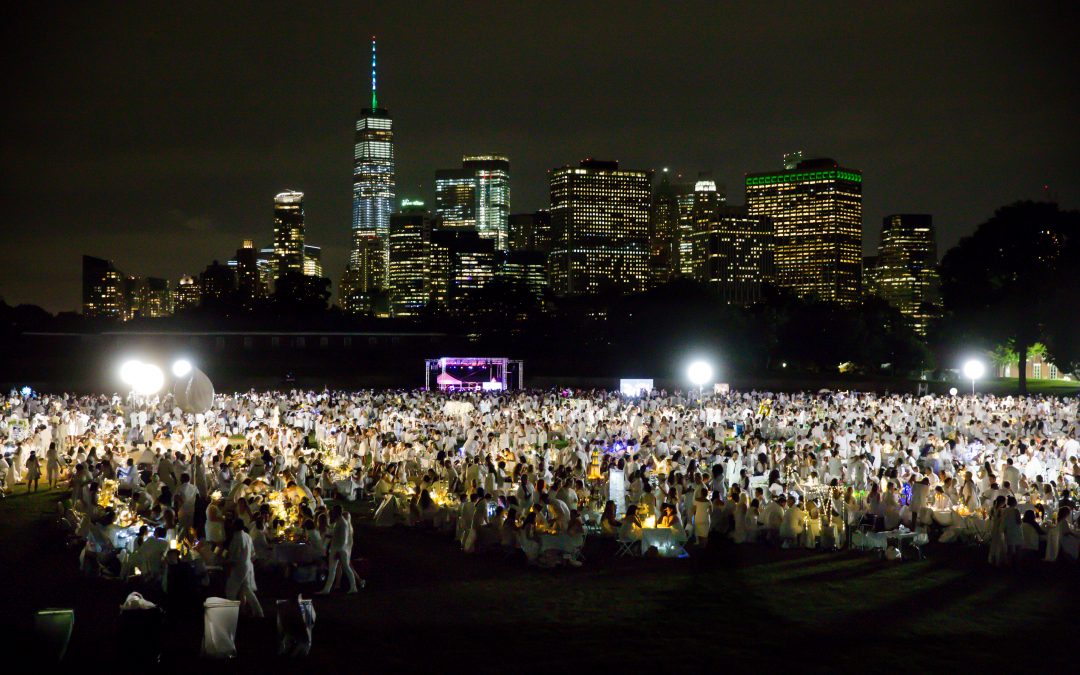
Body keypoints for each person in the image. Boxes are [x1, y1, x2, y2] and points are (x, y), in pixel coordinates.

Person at [225, 519, 263, 618]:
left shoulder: (236, 538)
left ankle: (231, 615)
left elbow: (234, 556)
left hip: (239, 567)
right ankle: (258, 612)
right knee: (247, 590)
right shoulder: (247, 536)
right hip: (248, 566)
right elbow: (252, 553)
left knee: (231, 591)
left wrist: (226, 561)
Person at [317, 505, 358, 594]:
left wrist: (339, 550)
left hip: (338, 549)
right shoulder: (340, 522)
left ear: (337, 512)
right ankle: (327, 589)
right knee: (336, 570)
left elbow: (344, 538)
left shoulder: (342, 523)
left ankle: (353, 587)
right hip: (337, 549)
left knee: (344, 568)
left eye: (334, 511)